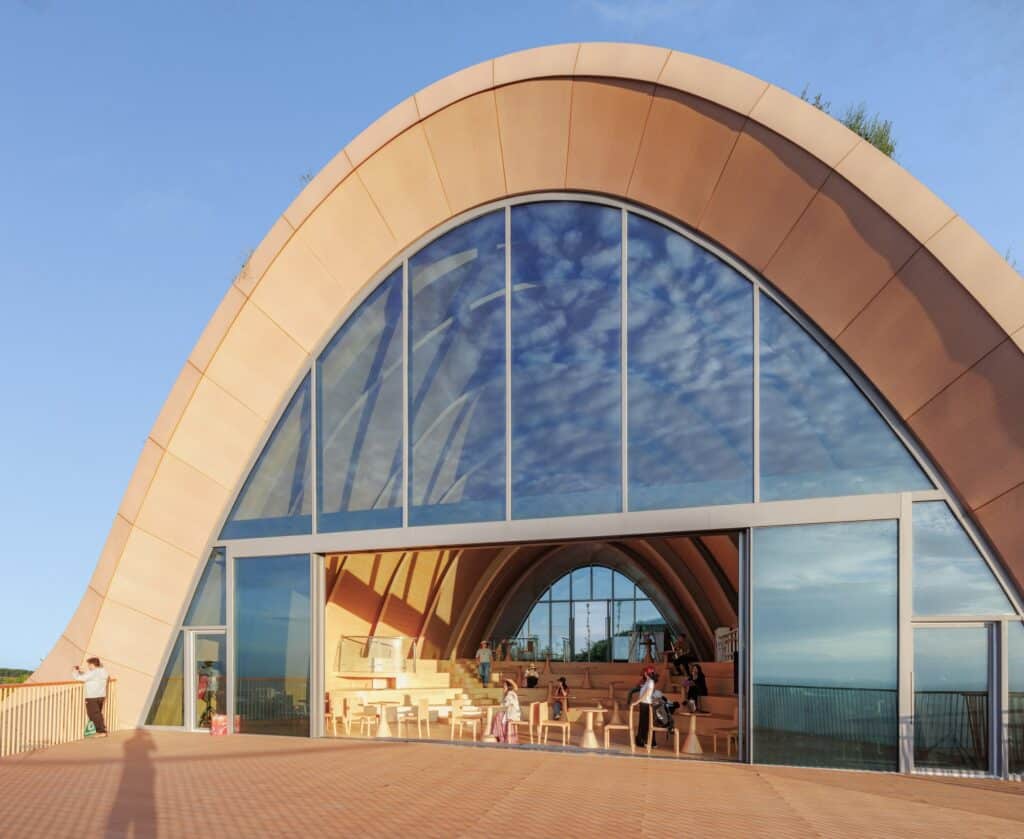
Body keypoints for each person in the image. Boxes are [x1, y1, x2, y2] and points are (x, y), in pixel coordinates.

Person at [72, 657, 109, 738]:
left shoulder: (93, 673)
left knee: (93, 714)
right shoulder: (103, 671)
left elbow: (80, 678)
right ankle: (101, 730)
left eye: (89, 665)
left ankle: (101, 731)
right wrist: (81, 672)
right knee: (97, 714)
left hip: (92, 696)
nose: (88, 666)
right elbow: (90, 676)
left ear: (92, 664)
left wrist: (75, 672)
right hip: (101, 696)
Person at [634, 666, 657, 748]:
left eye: (645, 672)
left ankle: (650, 742)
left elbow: (646, 694)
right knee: (643, 723)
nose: (644, 673)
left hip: (647, 704)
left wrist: (637, 702)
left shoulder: (651, 682)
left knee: (647, 724)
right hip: (643, 704)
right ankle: (641, 740)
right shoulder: (646, 681)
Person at [491, 678, 521, 744]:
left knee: (498, 716)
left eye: (504, 686)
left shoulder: (510, 694)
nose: (503, 688)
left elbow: (504, 705)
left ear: (508, 687)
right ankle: (501, 735)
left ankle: (500, 736)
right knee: (498, 715)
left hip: (512, 715)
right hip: (512, 714)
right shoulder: (511, 693)